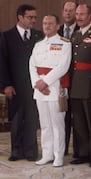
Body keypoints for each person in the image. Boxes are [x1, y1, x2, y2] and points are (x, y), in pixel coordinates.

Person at [0, 4, 43, 161]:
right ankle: (16, 150)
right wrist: (6, 85)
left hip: (34, 86)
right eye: (30, 17)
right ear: (20, 17)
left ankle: (31, 151)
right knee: (17, 119)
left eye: (35, 17)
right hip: (15, 86)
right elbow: (2, 62)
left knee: (32, 118)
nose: (33, 20)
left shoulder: (38, 36)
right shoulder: (7, 36)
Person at [29, 14, 71, 167]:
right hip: (40, 90)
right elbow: (31, 65)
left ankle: (58, 155)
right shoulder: (38, 44)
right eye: (44, 23)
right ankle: (47, 154)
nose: (46, 26)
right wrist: (37, 83)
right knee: (45, 124)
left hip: (55, 88)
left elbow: (63, 67)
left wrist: (45, 82)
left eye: (50, 23)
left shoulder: (65, 44)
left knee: (57, 124)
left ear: (58, 26)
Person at [69, 4, 91, 168]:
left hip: (90, 84)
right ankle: (83, 153)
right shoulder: (75, 35)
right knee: (79, 123)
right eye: (77, 14)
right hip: (76, 84)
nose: (79, 17)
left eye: (82, 14)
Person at [58, 1, 79, 157]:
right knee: (62, 116)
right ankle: (62, 149)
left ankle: (79, 151)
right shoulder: (56, 31)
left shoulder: (82, 31)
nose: (68, 13)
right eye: (66, 10)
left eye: (71, 11)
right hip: (60, 81)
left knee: (78, 118)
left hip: (78, 81)